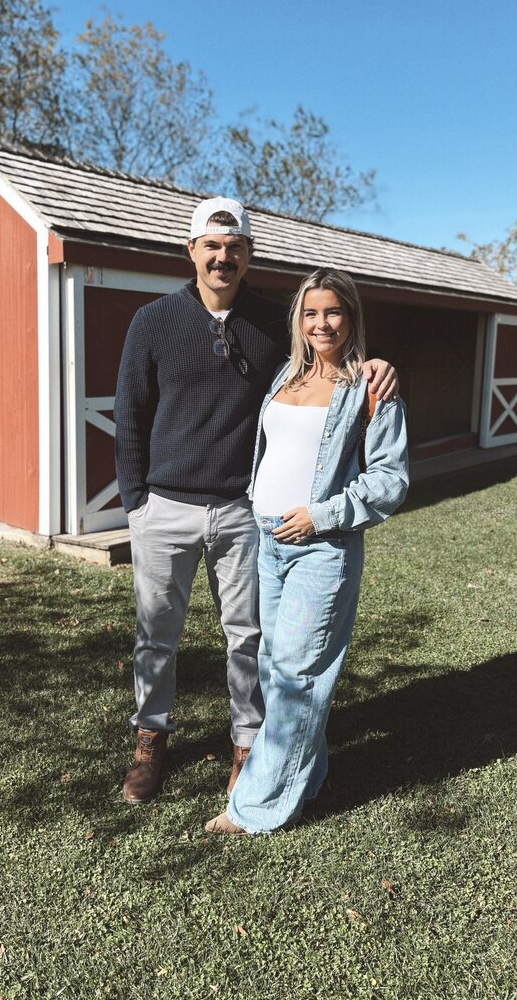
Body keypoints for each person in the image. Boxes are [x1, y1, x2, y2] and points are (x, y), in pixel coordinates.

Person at [114, 199, 399, 805]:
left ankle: (250, 744)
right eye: (211, 246)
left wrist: (374, 364)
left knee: (247, 637)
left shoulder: (275, 323)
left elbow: (326, 356)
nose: (223, 256)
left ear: (248, 254)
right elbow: (131, 417)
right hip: (164, 506)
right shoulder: (153, 321)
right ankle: (150, 740)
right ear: (191, 251)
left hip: (246, 512)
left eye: (234, 246)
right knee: (156, 634)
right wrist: (137, 501)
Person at [205, 267, 408, 834]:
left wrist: (320, 514)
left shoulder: (370, 387)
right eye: (311, 312)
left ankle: (256, 809)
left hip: (322, 548)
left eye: (334, 311)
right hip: (266, 539)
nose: (322, 322)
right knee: (277, 668)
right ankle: (307, 778)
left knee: (297, 676)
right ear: (299, 318)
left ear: (351, 318)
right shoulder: (283, 379)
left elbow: (390, 481)